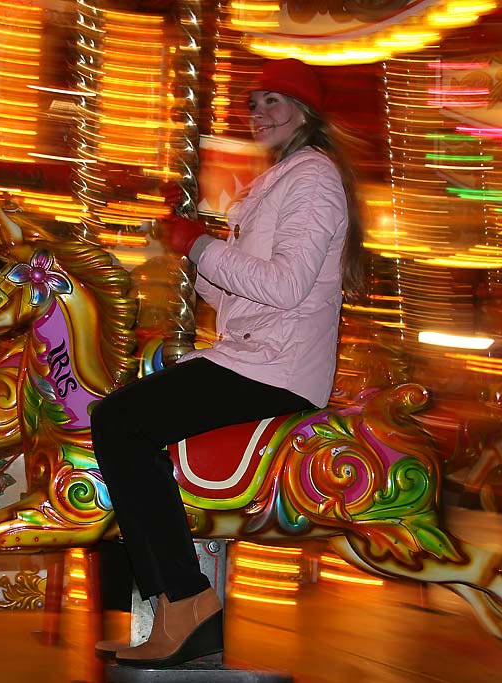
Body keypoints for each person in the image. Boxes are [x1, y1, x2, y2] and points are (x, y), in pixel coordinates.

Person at [91, 57, 363, 669]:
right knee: (123, 417)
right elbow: (235, 294)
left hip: (278, 363)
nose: (259, 112)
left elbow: (288, 286)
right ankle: (179, 607)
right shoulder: (278, 180)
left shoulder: (312, 177)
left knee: (119, 422)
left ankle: (186, 600)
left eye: (274, 100)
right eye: (253, 102)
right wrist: (188, 248)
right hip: (252, 351)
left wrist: (204, 245)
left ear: (304, 112)